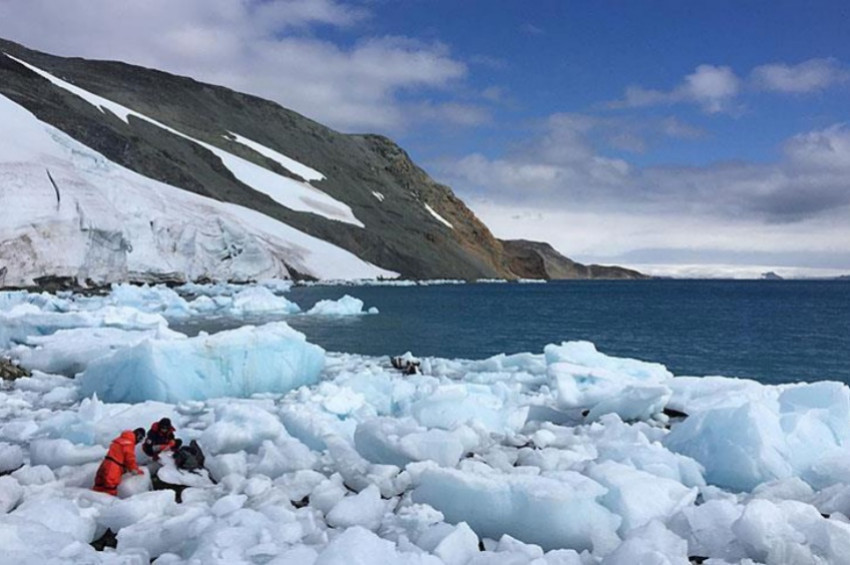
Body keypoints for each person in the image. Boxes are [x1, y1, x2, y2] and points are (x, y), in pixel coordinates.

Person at [92, 428, 145, 496]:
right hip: (113, 468)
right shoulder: (129, 442)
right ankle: (106, 505)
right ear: (138, 436)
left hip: (105, 463)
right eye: (140, 439)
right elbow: (130, 459)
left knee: (99, 486)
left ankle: (92, 502)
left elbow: (120, 455)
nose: (138, 442)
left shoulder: (121, 439)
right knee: (110, 489)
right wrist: (135, 470)